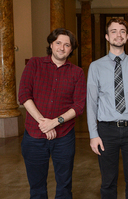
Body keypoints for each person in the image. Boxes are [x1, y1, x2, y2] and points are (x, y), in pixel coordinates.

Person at [18, 28, 87, 198]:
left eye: (67, 45)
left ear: (71, 49)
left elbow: (79, 105)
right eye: (58, 43)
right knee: (37, 187)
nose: (62, 48)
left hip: (63, 137)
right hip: (34, 136)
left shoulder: (77, 73)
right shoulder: (34, 63)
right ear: (51, 44)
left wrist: (55, 122)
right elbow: (24, 95)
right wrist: (44, 124)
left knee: (64, 186)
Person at [87, 18, 128, 199]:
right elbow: (91, 102)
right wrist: (93, 134)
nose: (118, 34)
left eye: (122, 31)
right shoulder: (96, 66)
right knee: (107, 182)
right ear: (107, 37)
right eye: (113, 31)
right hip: (106, 131)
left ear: (127, 36)